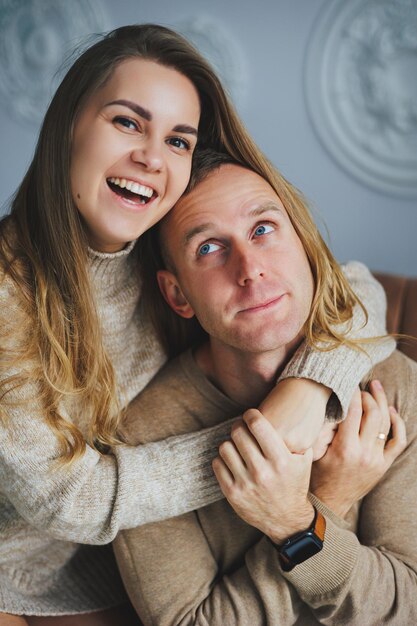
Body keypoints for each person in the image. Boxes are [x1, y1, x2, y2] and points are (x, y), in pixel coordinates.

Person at [0, 24, 393, 624]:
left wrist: (310, 392)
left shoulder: (164, 245)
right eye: (127, 122)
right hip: (20, 577)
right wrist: (268, 445)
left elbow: (351, 288)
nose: (152, 157)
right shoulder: (9, 292)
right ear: (67, 126)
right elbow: (71, 500)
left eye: (178, 140)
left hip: (151, 558)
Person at [113, 151, 415, 626]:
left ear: (304, 246)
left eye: (263, 230)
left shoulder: (393, 382)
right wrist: (320, 505)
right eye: (209, 248)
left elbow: (409, 607)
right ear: (178, 295)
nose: (250, 268)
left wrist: (299, 521)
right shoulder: (141, 438)